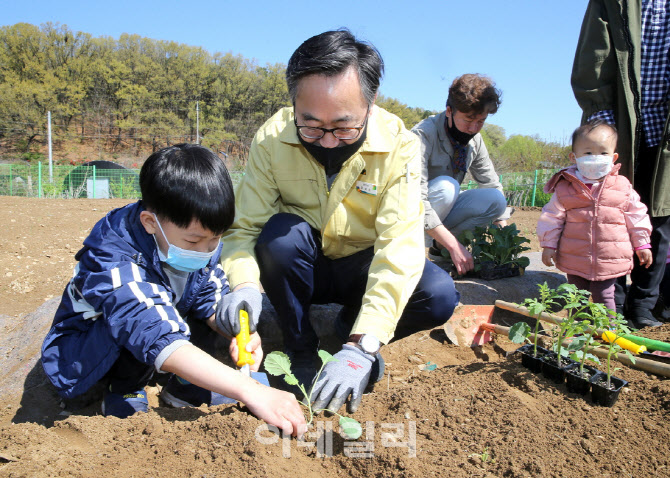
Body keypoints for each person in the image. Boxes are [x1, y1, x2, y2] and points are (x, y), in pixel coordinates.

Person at [218, 29, 459, 415]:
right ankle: (300, 349)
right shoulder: (272, 137)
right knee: (279, 238)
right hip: (303, 265)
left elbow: (399, 248)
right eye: (311, 125)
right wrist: (244, 284)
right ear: (293, 102)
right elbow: (244, 228)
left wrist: (362, 344)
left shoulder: (401, 146)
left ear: (371, 103)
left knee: (438, 294)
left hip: (360, 266)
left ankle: (351, 332)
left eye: (344, 127)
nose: (327, 140)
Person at [41, 144, 306, 437]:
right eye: (194, 242)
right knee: (134, 325)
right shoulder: (115, 259)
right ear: (150, 223)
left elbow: (208, 289)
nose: (206, 250)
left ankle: (186, 388)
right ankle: (123, 389)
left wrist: (237, 330)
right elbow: (151, 331)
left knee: (212, 310)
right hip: (89, 355)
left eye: (215, 239)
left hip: (159, 322)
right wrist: (250, 390)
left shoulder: (187, 239)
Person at [572, 0, 670, 328]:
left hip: (664, 123)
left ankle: (644, 303)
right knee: (609, 216)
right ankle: (610, 305)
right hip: (621, 123)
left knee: (661, 216)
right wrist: (603, 137)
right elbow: (594, 58)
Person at [537, 121, 652, 313]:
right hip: (574, 256)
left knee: (604, 296)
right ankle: (578, 333)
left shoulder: (622, 186)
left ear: (614, 157)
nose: (595, 158)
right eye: (588, 153)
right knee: (576, 297)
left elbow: (637, 215)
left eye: (603, 153)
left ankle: (609, 333)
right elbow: (552, 217)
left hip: (610, 256)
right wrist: (549, 245)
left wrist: (642, 244)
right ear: (574, 157)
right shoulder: (565, 187)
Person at [411, 74, 512, 275]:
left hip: (438, 217)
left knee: (495, 200)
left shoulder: (475, 140)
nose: (474, 128)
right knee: (448, 187)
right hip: (410, 214)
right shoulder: (422, 135)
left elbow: (491, 183)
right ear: (449, 111)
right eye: (468, 120)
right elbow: (415, 199)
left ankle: (439, 250)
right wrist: (454, 245)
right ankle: (412, 252)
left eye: (481, 121)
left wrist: (503, 231)